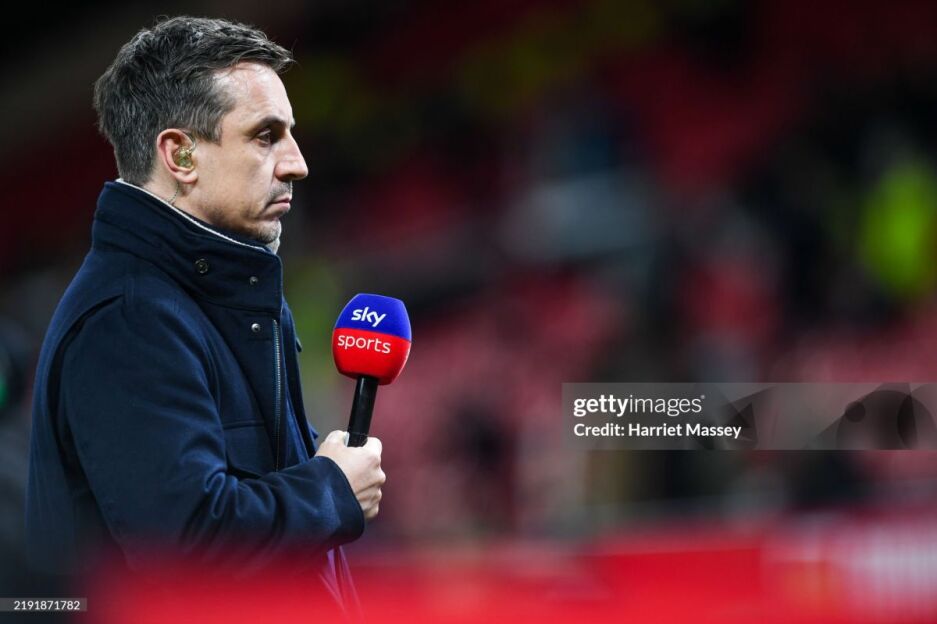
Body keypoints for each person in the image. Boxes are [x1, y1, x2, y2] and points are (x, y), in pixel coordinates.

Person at [25, 16, 384, 614]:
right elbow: (185, 548)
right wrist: (329, 492)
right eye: (266, 136)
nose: (297, 163)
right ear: (181, 154)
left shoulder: (220, 292)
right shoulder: (130, 318)